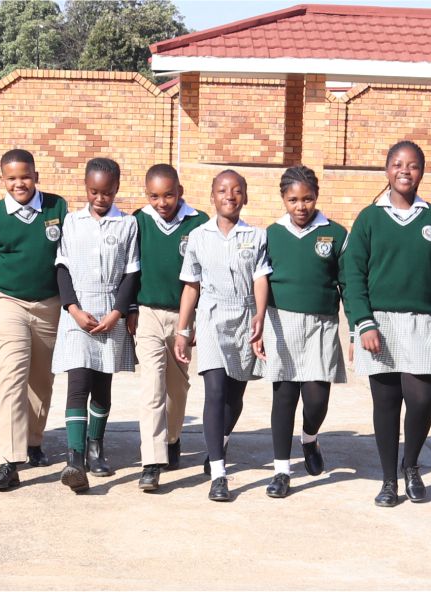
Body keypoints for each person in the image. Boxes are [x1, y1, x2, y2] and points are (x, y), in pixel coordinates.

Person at [340, 140, 431, 507]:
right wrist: (362, 323)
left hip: (423, 322)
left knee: (422, 398)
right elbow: (353, 275)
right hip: (379, 323)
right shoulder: (369, 218)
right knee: (387, 404)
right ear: (387, 170)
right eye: (397, 164)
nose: (404, 171)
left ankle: (411, 464)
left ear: (422, 172)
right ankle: (388, 480)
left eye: (412, 165)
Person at [0, 149, 67, 492]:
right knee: (11, 376)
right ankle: (9, 462)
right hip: (7, 301)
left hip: (49, 304)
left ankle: (33, 441)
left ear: (36, 176)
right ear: (2, 180)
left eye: (25, 176)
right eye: (11, 178)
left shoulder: (57, 208)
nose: (19, 183)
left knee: (41, 379)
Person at [173, 169, 270, 502]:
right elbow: (191, 286)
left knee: (234, 395)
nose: (230, 196)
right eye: (223, 190)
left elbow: (260, 278)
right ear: (212, 196)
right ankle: (218, 473)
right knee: (214, 391)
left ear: (245, 196)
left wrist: (260, 315)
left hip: (244, 317)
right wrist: (183, 330)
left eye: (237, 190)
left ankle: (221, 440)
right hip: (211, 316)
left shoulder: (256, 236)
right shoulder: (198, 236)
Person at [51, 158, 140, 494]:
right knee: (78, 382)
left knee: (102, 383)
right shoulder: (71, 223)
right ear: (86, 188)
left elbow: (131, 272)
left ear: (116, 189)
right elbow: (62, 268)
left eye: (107, 192)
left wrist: (118, 312)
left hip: (110, 312)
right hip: (79, 310)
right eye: (94, 191)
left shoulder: (127, 224)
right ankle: (74, 458)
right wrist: (73, 309)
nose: (100, 198)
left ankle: (95, 448)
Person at [261, 165, 345, 499]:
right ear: (283, 199)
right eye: (293, 200)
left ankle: (309, 438)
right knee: (284, 397)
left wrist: (357, 327)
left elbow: (347, 282)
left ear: (317, 197)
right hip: (281, 322)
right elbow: (259, 281)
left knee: (316, 399)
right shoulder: (271, 234)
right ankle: (282, 471)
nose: (301, 206)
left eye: (307, 199)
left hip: (321, 325)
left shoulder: (335, 233)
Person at [130, 164, 207, 491]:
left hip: (183, 317)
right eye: (154, 196)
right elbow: (130, 269)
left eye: (169, 195)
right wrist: (130, 308)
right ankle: (151, 462)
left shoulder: (199, 223)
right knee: (152, 386)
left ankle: (172, 438)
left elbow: (204, 277)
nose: (162, 203)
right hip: (148, 313)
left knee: (177, 387)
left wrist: (193, 323)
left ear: (180, 191)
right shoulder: (139, 220)